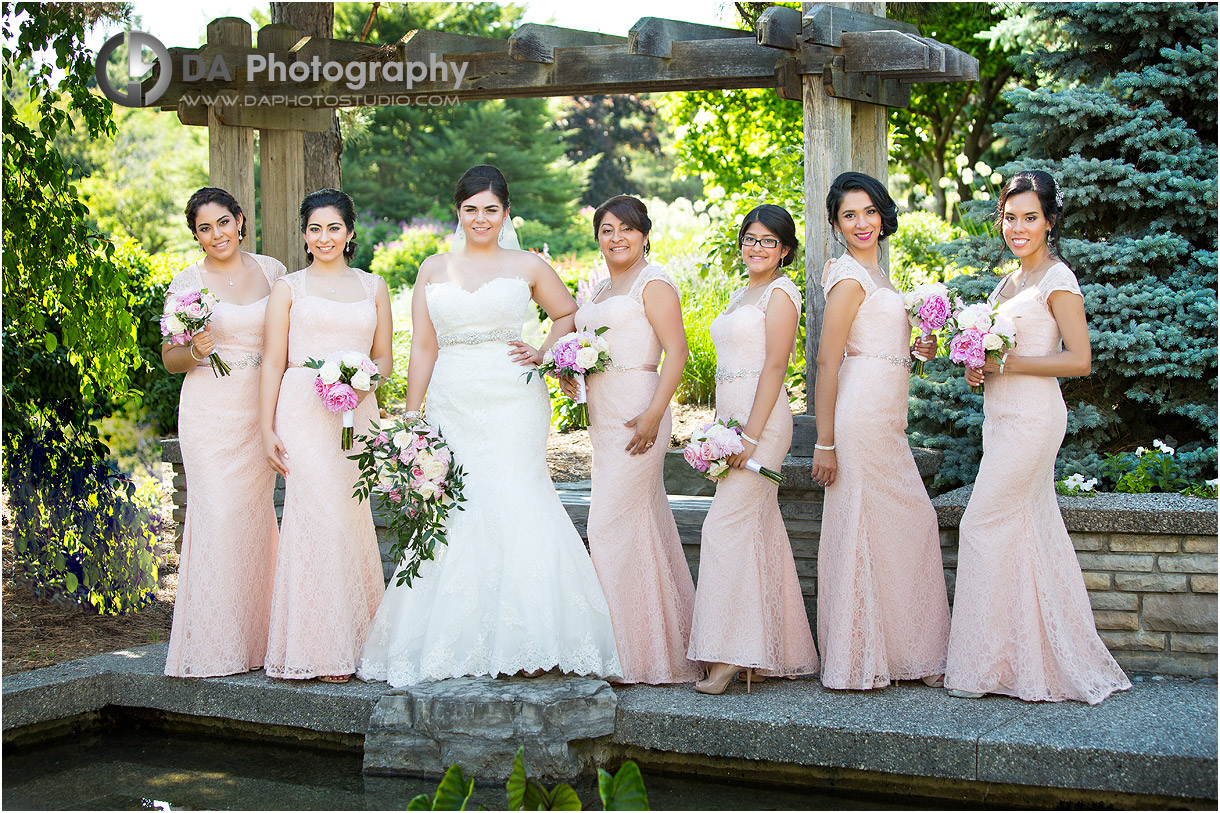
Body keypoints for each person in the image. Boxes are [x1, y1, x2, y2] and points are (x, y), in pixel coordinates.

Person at [358, 165, 621, 686]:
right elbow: (425, 346)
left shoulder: (528, 264)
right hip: (452, 398)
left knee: (518, 493)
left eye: (491, 209)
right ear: (457, 213)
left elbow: (567, 314)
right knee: (458, 504)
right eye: (471, 209)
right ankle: (456, 638)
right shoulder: (433, 268)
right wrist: (413, 416)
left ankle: (535, 636)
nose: (481, 219)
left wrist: (545, 354)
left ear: (506, 213)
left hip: (513, 396)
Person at [945, 170, 1131, 703]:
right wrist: (976, 366)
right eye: (1010, 218)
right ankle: (1021, 662)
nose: (1018, 228)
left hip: (1033, 419)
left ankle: (982, 667)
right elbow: (994, 354)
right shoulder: (1007, 283)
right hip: (1000, 416)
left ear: (1050, 221)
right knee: (1024, 530)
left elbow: (1079, 360)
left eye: (1030, 218)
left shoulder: (1058, 279)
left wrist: (1006, 361)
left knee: (981, 524)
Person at [811, 172, 951, 691]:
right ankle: (863, 657)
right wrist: (825, 442)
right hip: (861, 416)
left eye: (869, 211)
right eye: (849, 215)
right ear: (836, 224)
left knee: (898, 527)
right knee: (896, 522)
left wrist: (916, 349)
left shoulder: (880, 274)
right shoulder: (849, 276)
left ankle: (897, 654)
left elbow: (881, 346)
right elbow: (827, 362)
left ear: (882, 213)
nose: (862, 222)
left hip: (888, 413)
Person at [259, 188, 392, 683]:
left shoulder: (373, 285)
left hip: (358, 411)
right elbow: (273, 360)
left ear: (350, 232)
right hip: (303, 408)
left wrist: (362, 382)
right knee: (315, 519)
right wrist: (265, 426)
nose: (324, 238)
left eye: (333, 228)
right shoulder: (289, 288)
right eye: (314, 229)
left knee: (349, 518)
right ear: (304, 235)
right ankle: (315, 647)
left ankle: (356, 641)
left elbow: (384, 358)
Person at [687, 204, 819, 694]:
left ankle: (728, 656)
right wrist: (721, 430)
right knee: (757, 531)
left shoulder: (782, 294)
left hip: (760, 427)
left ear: (784, 250)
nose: (756, 247)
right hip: (731, 424)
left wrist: (748, 435)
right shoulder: (742, 291)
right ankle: (765, 653)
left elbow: (775, 368)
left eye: (768, 240)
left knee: (724, 528)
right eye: (750, 238)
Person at [568, 195, 700, 685]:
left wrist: (653, 414)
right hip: (603, 417)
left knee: (607, 525)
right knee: (639, 524)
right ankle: (653, 647)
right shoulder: (602, 288)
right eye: (606, 229)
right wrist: (571, 370)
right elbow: (594, 346)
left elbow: (678, 353)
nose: (616, 237)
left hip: (639, 413)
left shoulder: (654, 281)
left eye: (626, 228)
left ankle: (622, 652)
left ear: (644, 234)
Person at [163, 187, 284, 678]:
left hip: (262, 408)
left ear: (240, 220)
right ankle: (215, 645)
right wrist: (194, 349)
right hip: (210, 413)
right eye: (204, 229)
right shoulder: (187, 283)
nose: (216, 235)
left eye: (222, 223)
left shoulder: (273, 272)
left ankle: (257, 640)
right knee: (217, 515)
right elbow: (169, 360)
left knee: (255, 517)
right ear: (196, 236)